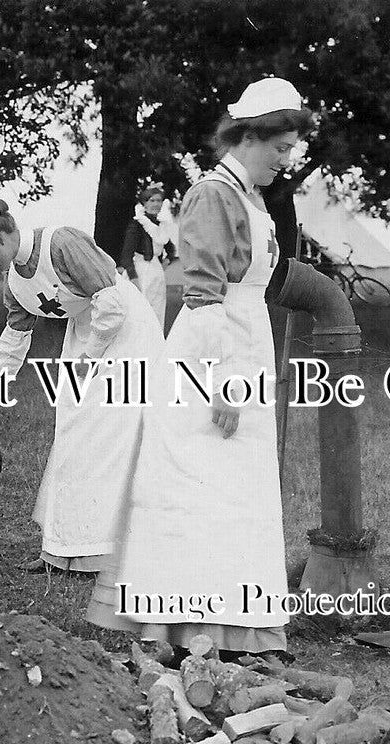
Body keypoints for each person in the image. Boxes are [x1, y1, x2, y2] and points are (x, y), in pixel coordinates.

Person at [87, 77, 313, 655]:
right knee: (200, 482)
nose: (286, 162)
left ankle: (229, 620)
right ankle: (182, 622)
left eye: (290, 150)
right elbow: (204, 295)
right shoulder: (214, 194)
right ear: (248, 136)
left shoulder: (250, 195)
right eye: (280, 149)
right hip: (212, 352)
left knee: (236, 487)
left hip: (244, 342)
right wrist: (219, 383)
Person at [0, 192, 163, 573]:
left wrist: (88, 361)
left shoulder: (62, 241)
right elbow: (13, 343)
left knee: (109, 434)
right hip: (88, 334)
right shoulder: (13, 281)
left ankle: (112, 552)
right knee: (73, 430)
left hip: (127, 334)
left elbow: (111, 303)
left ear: (1, 238)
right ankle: (62, 548)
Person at [117, 185, 175, 329]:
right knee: (139, 310)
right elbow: (126, 256)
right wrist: (134, 278)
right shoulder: (138, 224)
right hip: (140, 271)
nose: (156, 204)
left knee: (157, 308)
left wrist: (166, 261)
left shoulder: (162, 226)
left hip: (156, 271)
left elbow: (170, 248)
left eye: (159, 200)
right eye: (152, 200)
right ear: (144, 203)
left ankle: (155, 345)